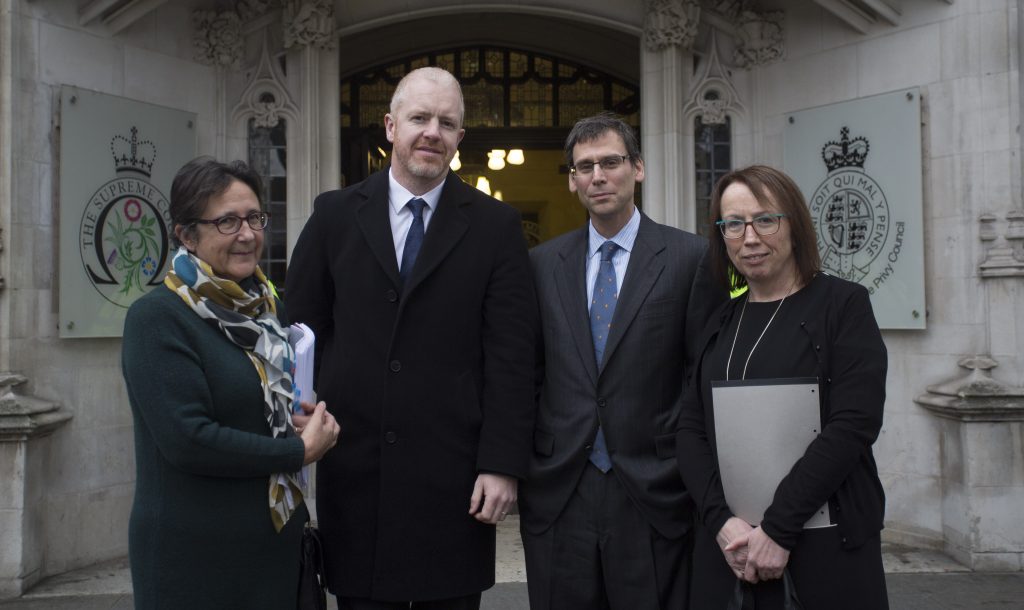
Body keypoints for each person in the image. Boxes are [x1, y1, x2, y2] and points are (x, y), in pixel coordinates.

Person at [285, 66, 536, 609]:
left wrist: (502, 463)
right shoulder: (334, 215)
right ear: (390, 126)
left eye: (447, 123)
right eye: (420, 118)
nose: (432, 132)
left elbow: (513, 356)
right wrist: (305, 411)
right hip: (355, 469)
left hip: (454, 477)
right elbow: (301, 331)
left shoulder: (496, 226)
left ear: (460, 140)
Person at [518, 112, 724, 609]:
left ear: (638, 168)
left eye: (610, 162)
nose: (598, 176)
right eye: (584, 166)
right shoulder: (542, 265)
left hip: (655, 489)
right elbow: (527, 373)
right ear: (572, 181)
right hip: (561, 490)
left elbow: (702, 375)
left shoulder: (691, 258)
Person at [121, 157, 340, 610]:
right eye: (226, 221)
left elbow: (254, 411)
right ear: (185, 234)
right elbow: (188, 440)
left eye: (254, 218)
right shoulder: (157, 318)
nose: (248, 234)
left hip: (273, 550)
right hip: (197, 560)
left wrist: (295, 420)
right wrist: (298, 451)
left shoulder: (266, 309)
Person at [675, 165, 889, 609]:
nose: (749, 238)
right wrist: (721, 522)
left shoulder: (843, 305)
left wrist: (777, 529)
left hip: (825, 548)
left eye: (765, 219)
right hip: (729, 549)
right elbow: (691, 429)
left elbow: (852, 425)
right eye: (733, 224)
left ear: (794, 225)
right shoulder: (719, 321)